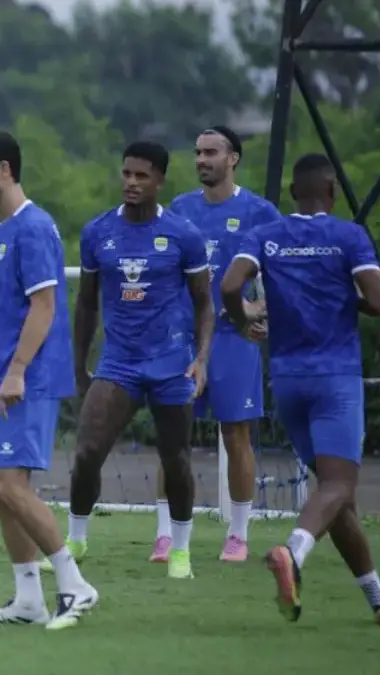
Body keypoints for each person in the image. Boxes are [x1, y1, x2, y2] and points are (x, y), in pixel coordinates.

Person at [221, 153, 380, 624]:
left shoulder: (267, 234)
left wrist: (242, 319)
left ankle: (376, 598)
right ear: (331, 194)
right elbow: (377, 300)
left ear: (293, 193)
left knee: (337, 499)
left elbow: (230, 285)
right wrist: (345, 297)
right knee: (338, 485)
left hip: (288, 381)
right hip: (335, 378)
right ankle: (292, 552)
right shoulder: (347, 236)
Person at [0, 130, 96, 630]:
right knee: (0, 487)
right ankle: (28, 599)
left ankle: (75, 586)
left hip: (26, 379)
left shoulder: (33, 227)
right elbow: (20, 302)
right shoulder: (6, 230)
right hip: (5, 377)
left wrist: (16, 370)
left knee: (12, 487)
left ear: (5, 171)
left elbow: (45, 305)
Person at [63, 141, 214, 581]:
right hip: (119, 364)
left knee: (176, 458)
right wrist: (78, 365)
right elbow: (86, 304)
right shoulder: (97, 233)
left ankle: (181, 551)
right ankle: (76, 539)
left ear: (160, 181)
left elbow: (204, 303)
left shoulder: (183, 235)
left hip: (171, 364)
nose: (131, 182)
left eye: (141, 176)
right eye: (126, 174)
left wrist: (201, 359)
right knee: (88, 452)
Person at [160, 126, 279, 563]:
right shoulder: (178, 209)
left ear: (234, 159)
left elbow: (281, 276)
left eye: (211, 152)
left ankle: (239, 533)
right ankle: (166, 534)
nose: (201, 159)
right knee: (173, 435)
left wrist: (261, 311)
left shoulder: (260, 212)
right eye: (197, 152)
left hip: (232, 339)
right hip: (182, 341)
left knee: (236, 434)